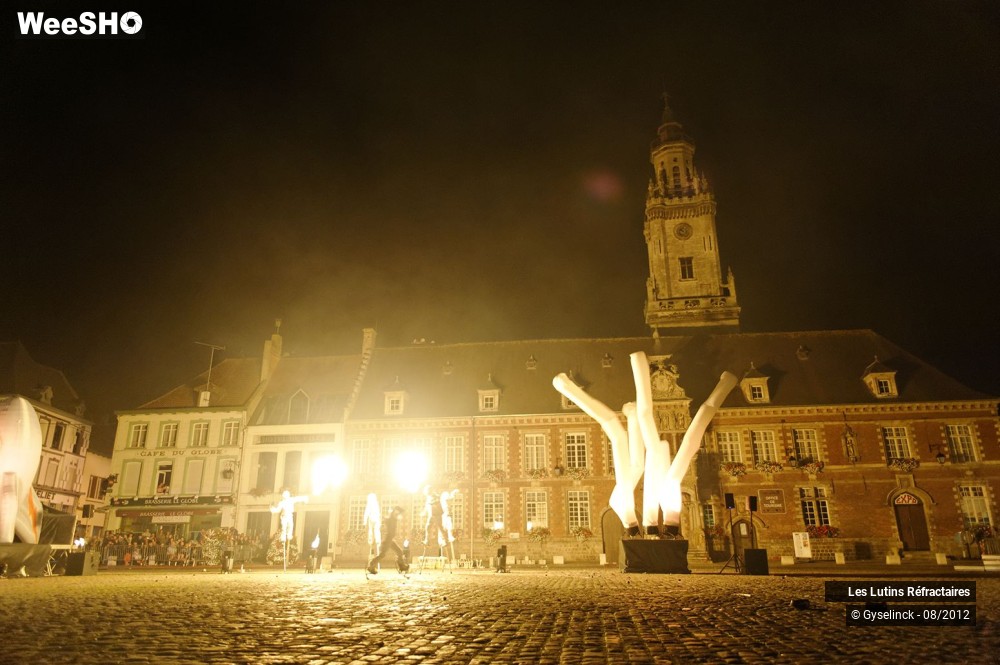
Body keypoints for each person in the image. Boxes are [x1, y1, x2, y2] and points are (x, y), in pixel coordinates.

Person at [367, 506, 408, 575]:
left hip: (390, 540)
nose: (399, 515)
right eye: (398, 513)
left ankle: (402, 566)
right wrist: (396, 512)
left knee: (399, 552)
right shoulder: (391, 519)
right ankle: (371, 565)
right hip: (388, 539)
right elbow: (390, 520)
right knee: (382, 555)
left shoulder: (393, 518)